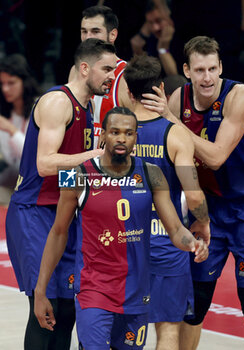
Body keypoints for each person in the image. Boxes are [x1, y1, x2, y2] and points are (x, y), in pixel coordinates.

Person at [34, 107, 209, 350]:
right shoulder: (77, 175)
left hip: (136, 292)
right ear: (103, 135)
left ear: (136, 137)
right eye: (114, 132)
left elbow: (175, 229)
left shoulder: (152, 174)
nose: (121, 138)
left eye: (128, 133)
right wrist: (40, 290)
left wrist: (192, 243)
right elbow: (58, 232)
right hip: (93, 290)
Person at [142, 36, 244, 350]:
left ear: (221, 66)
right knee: (194, 305)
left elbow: (216, 156)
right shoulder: (177, 100)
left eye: (213, 68)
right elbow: (165, 154)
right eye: (199, 70)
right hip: (206, 210)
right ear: (186, 70)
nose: (207, 77)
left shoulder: (240, 96)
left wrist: (172, 123)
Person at [5, 38, 117, 350]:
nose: (112, 75)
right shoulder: (58, 102)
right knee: (45, 308)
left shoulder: (90, 105)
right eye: (106, 68)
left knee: (68, 309)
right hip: (34, 212)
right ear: (85, 68)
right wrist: (97, 156)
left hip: (65, 213)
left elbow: (74, 166)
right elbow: (45, 164)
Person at [123, 55, 210, 350]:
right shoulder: (175, 135)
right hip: (164, 241)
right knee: (169, 330)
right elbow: (194, 194)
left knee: (123, 331)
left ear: (128, 90)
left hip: (123, 240)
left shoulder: (114, 134)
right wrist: (203, 221)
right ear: (160, 88)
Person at [68, 5, 132, 148]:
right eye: (84, 31)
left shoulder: (126, 75)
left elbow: (139, 129)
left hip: (111, 166)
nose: (88, 37)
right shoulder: (75, 71)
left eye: (95, 31)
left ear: (113, 35)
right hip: (80, 163)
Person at [0, 53, 40, 189]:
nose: (5, 89)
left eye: (11, 83)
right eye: (2, 83)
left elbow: (34, 157)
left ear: (25, 82)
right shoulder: (5, 112)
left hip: (39, 182)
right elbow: (11, 160)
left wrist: (11, 130)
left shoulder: (40, 107)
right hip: (14, 179)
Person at [130, 0, 178, 78]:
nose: (155, 28)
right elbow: (145, 74)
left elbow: (176, 79)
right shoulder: (152, 39)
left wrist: (163, 49)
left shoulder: (182, 36)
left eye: (158, 21)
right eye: (150, 22)